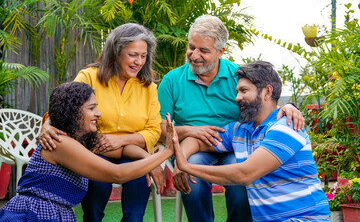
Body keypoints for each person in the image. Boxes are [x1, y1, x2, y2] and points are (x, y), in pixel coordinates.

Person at [157, 14, 305, 222]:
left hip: (235, 145)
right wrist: (191, 131)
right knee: (194, 181)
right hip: (190, 147)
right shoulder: (171, 81)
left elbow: (263, 103)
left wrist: (289, 106)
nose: (194, 55)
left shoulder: (238, 76)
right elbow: (159, 129)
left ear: (220, 52)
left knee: (241, 187)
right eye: (191, 47)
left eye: (204, 50)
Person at [171, 61, 330, 222]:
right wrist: (182, 157)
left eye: (244, 91)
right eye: (237, 91)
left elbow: (245, 174)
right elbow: (198, 140)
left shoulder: (286, 126)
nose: (237, 98)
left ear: (267, 92)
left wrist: (187, 167)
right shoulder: (239, 130)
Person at [39, 23, 162, 222]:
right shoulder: (89, 77)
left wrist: (121, 141)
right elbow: (67, 106)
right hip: (94, 150)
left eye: (143, 55)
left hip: (132, 152)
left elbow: (154, 130)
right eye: (132, 55)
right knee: (98, 183)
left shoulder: (148, 87)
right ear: (116, 52)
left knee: (139, 181)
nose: (138, 61)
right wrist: (47, 125)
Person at [0, 82, 175, 221]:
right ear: (73, 112)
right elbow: (117, 174)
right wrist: (166, 153)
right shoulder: (61, 142)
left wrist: (146, 157)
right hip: (34, 214)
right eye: (91, 108)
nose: (98, 113)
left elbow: (122, 150)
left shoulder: (82, 141)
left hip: (58, 214)